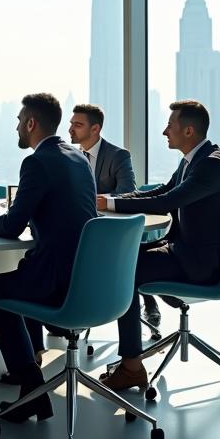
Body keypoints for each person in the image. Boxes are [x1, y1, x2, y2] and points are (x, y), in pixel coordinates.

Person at [0, 94, 97, 422]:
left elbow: (10, 227)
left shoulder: (36, 162)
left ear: (32, 123)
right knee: (20, 274)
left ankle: (33, 384)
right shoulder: (78, 157)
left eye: (20, 121)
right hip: (86, 277)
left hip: (58, 280)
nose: (17, 127)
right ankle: (31, 394)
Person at [97, 100, 220, 392]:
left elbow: (166, 202)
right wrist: (111, 200)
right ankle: (133, 356)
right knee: (123, 259)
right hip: (184, 251)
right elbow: (160, 191)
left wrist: (111, 203)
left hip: (198, 265)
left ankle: (131, 368)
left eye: (170, 126)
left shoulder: (211, 165)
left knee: (126, 271)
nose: (164, 132)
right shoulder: (194, 160)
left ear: (188, 130)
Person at [68, 103, 161, 325]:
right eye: (71, 124)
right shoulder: (70, 155)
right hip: (81, 225)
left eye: (78, 125)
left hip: (112, 226)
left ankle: (148, 301)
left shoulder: (117, 155)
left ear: (95, 129)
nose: (71, 129)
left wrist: (98, 199)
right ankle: (68, 313)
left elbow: (128, 191)